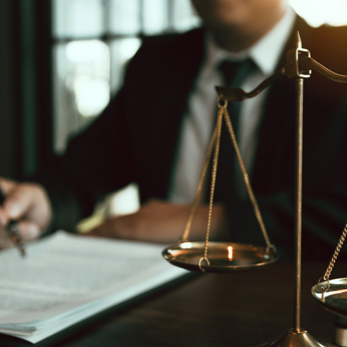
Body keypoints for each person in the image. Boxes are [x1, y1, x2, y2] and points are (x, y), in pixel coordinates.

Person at [1, 0, 347, 260]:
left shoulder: (338, 62)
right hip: (158, 294)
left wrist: (205, 222)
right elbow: (87, 166)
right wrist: (40, 202)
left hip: (290, 304)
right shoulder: (158, 62)